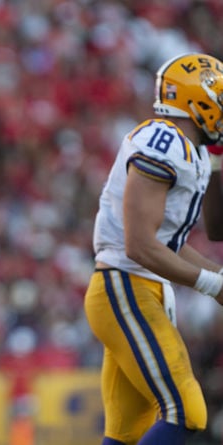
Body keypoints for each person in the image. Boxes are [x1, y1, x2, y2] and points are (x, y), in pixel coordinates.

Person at [84, 52, 223, 445]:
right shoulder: (162, 140)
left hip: (139, 288)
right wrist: (212, 286)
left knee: (128, 430)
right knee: (187, 411)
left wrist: (219, 277)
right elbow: (141, 245)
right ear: (199, 101)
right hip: (124, 285)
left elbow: (204, 234)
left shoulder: (190, 150)